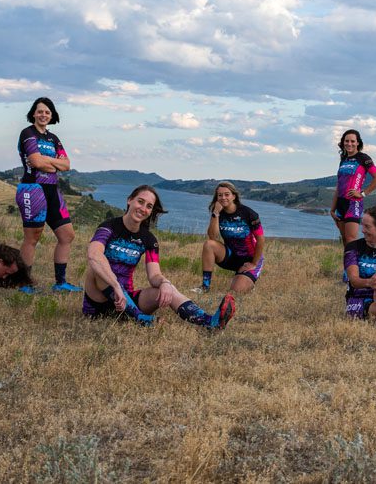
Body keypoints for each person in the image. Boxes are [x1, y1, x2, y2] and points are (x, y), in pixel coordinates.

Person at [83, 185, 235, 330]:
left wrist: (165, 283)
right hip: (98, 304)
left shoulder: (148, 239)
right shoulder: (109, 227)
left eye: (149, 206)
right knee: (97, 270)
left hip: (128, 303)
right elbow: (94, 255)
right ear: (130, 200)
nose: (143, 208)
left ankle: (210, 322)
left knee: (167, 288)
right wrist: (115, 285)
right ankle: (141, 319)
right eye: (140, 201)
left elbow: (154, 275)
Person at [16, 97, 80, 293]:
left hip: (52, 191)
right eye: (40, 111)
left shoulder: (54, 138)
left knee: (67, 235)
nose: (43, 115)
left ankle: (60, 283)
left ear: (52, 115)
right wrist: (52, 163)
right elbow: (36, 163)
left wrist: (47, 161)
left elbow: (67, 165)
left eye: (47, 112)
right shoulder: (28, 133)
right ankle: (24, 284)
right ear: (33, 114)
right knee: (32, 238)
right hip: (32, 189)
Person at [196, 182, 264, 295]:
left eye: (227, 194)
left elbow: (260, 240)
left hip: (250, 259)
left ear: (234, 196)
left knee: (235, 292)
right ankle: (205, 286)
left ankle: (247, 281)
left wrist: (254, 263)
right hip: (231, 256)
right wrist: (215, 213)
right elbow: (213, 237)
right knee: (209, 244)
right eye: (220, 195)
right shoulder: (219, 213)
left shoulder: (248, 213)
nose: (223, 197)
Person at [331, 129, 376, 245]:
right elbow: (339, 186)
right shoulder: (343, 160)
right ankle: (348, 259)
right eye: (346, 141)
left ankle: (358, 258)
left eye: (352, 141)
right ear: (343, 142)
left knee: (351, 240)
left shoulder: (363, 158)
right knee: (345, 240)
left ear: (358, 143)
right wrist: (332, 209)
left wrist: (362, 194)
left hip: (353, 203)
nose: (349, 144)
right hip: (340, 204)